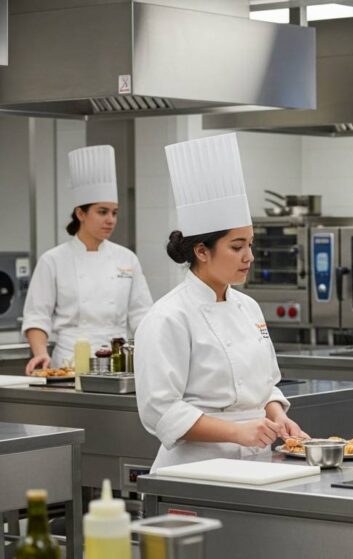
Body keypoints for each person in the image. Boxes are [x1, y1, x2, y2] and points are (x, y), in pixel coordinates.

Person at [135, 133, 306, 469]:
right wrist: (236, 432)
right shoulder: (168, 316)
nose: (249, 256)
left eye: (250, 244)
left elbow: (266, 386)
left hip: (257, 463)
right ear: (202, 251)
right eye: (237, 247)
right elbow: (160, 410)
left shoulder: (248, 307)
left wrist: (277, 416)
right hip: (193, 469)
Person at [22, 145, 152, 373]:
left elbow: (142, 315)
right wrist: (41, 353)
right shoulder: (53, 260)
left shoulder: (127, 259)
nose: (111, 220)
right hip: (70, 364)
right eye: (102, 212)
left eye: (114, 212)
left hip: (118, 362)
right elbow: (37, 316)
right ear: (80, 213)